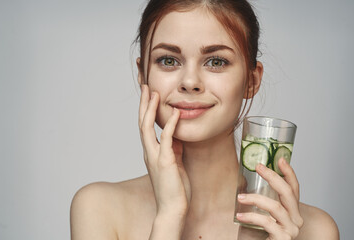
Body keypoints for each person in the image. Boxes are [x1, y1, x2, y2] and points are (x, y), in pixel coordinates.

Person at [70, 0, 339, 239]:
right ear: (142, 73)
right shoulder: (98, 209)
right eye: (168, 60)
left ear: (251, 81)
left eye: (216, 62)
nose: (190, 82)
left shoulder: (315, 231)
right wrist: (169, 217)